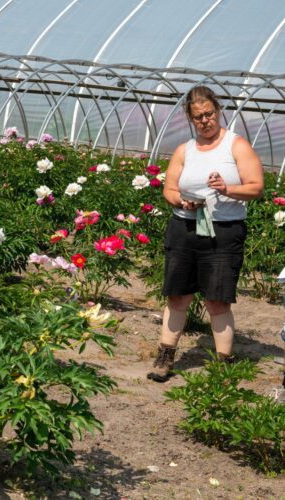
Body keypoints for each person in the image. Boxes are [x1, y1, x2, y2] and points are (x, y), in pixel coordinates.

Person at [147, 85, 264, 382]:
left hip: (223, 232)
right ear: (191, 119)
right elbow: (169, 189)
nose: (204, 121)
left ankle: (222, 363)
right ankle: (165, 356)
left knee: (217, 300)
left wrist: (228, 189)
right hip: (184, 228)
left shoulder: (236, 146)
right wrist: (181, 201)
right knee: (177, 295)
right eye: (198, 117)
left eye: (209, 114)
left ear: (218, 110)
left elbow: (256, 187)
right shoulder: (184, 150)